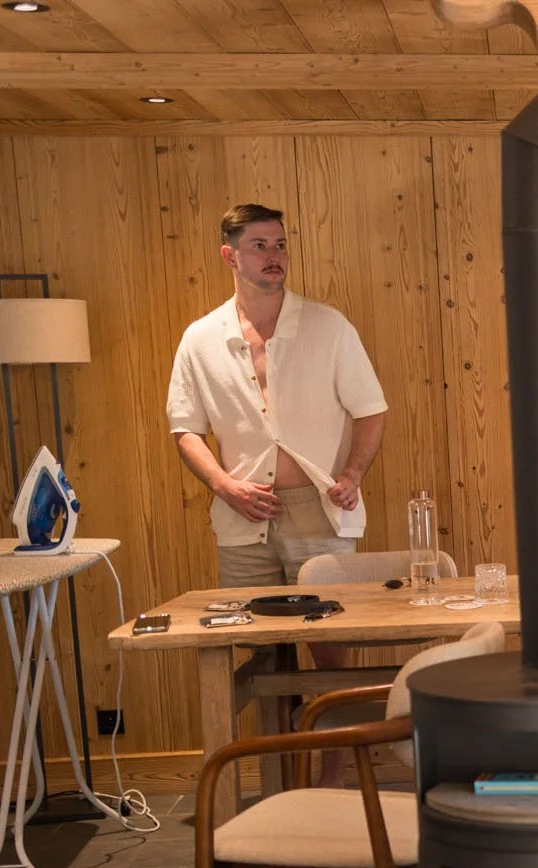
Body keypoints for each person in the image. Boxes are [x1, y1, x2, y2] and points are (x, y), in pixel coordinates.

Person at [168, 203, 389, 786]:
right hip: (243, 518)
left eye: (281, 245)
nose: (275, 256)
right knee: (257, 651)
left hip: (319, 511)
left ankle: (333, 778)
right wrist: (223, 484)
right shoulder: (200, 338)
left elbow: (371, 411)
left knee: (331, 651)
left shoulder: (327, 325)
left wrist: (354, 473)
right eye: (261, 245)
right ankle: (275, 780)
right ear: (230, 255)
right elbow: (185, 429)